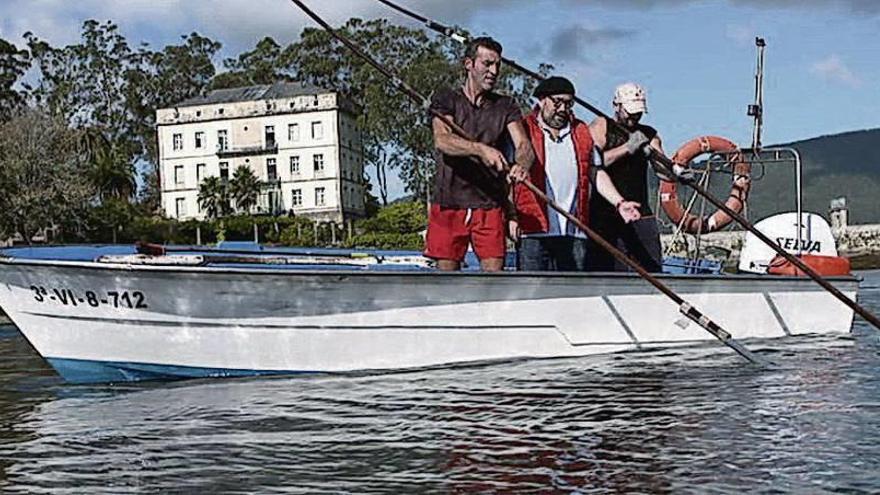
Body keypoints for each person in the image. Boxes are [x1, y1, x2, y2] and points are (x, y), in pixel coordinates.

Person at [425, 37, 533, 272]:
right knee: (446, 282)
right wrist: (480, 149)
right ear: (469, 64)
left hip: (490, 205)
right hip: (449, 203)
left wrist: (521, 164)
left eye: (497, 66)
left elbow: (524, 145)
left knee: (495, 279)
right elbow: (443, 140)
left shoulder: (506, 105)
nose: (493, 71)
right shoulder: (446, 98)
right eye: (487, 64)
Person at [514, 76, 642, 271]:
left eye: (568, 103)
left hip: (575, 231)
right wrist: (511, 217)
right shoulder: (523, 130)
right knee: (532, 294)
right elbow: (509, 177)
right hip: (533, 231)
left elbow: (595, 171)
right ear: (542, 100)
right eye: (558, 102)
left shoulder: (580, 131)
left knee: (572, 295)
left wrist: (619, 202)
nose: (563, 109)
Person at [588, 82, 665, 272]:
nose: (633, 117)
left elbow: (663, 170)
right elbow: (592, 163)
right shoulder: (602, 126)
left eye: (637, 113)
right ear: (617, 106)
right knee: (606, 269)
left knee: (651, 266)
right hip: (605, 212)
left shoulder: (648, 133)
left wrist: (676, 171)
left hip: (641, 210)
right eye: (630, 112)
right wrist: (627, 148)